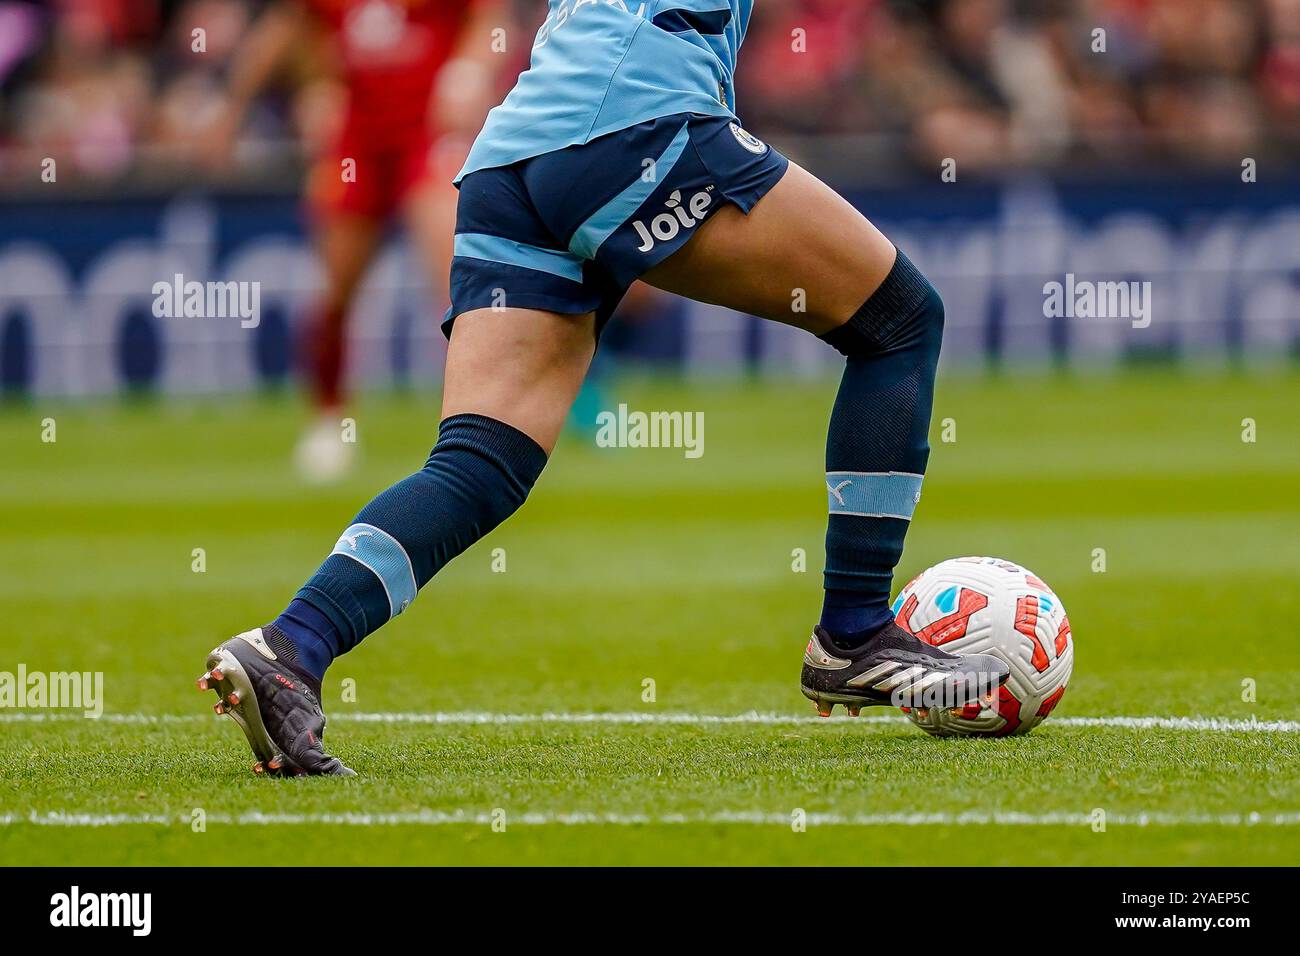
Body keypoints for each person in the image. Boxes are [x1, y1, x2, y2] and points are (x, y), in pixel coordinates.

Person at [197, 0, 1008, 776]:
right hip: (637, 123)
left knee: (481, 463)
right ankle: (856, 632)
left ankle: (290, 648)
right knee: (900, 323)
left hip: (512, 156)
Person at [208, 0, 506, 481]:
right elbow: (288, 28)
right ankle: (328, 418)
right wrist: (260, 100)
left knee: (458, 282)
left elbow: (489, 18)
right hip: (357, 141)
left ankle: (476, 429)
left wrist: (470, 69)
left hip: (428, 134)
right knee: (334, 290)